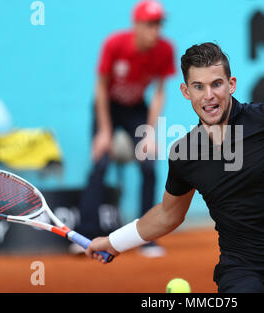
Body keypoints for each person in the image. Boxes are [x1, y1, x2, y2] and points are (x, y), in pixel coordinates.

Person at [85, 42, 264, 293]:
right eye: (198, 87)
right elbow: (168, 214)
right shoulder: (184, 154)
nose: (209, 95)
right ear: (185, 91)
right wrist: (114, 241)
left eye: (216, 84)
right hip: (243, 271)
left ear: (231, 84)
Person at [75, 0, 175, 258]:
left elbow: (159, 93)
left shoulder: (165, 50)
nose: (156, 30)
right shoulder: (114, 44)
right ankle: (85, 236)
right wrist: (104, 132)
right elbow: (100, 88)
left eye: (158, 24)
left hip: (136, 110)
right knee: (100, 164)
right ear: (137, 25)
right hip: (107, 105)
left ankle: (147, 238)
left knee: (149, 165)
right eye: (150, 24)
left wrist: (151, 132)